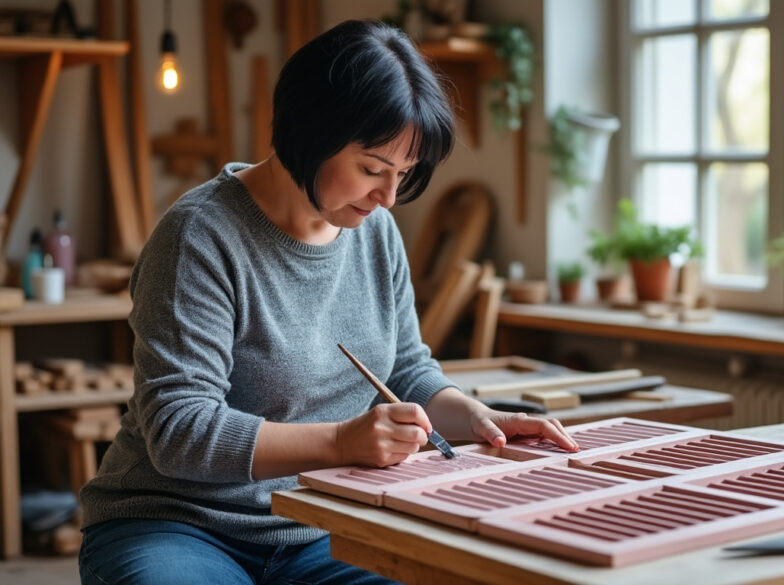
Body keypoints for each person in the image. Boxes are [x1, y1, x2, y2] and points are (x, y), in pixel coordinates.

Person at [78, 19, 578, 585]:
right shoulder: (199, 235)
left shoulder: (376, 230)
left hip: (320, 524)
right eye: (372, 170)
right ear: (309, 132)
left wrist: (479, 419)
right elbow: (179, 431)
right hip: (178, 523)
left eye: (404, 174)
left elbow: (406, 371)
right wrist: (342, 440)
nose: (387, 197)